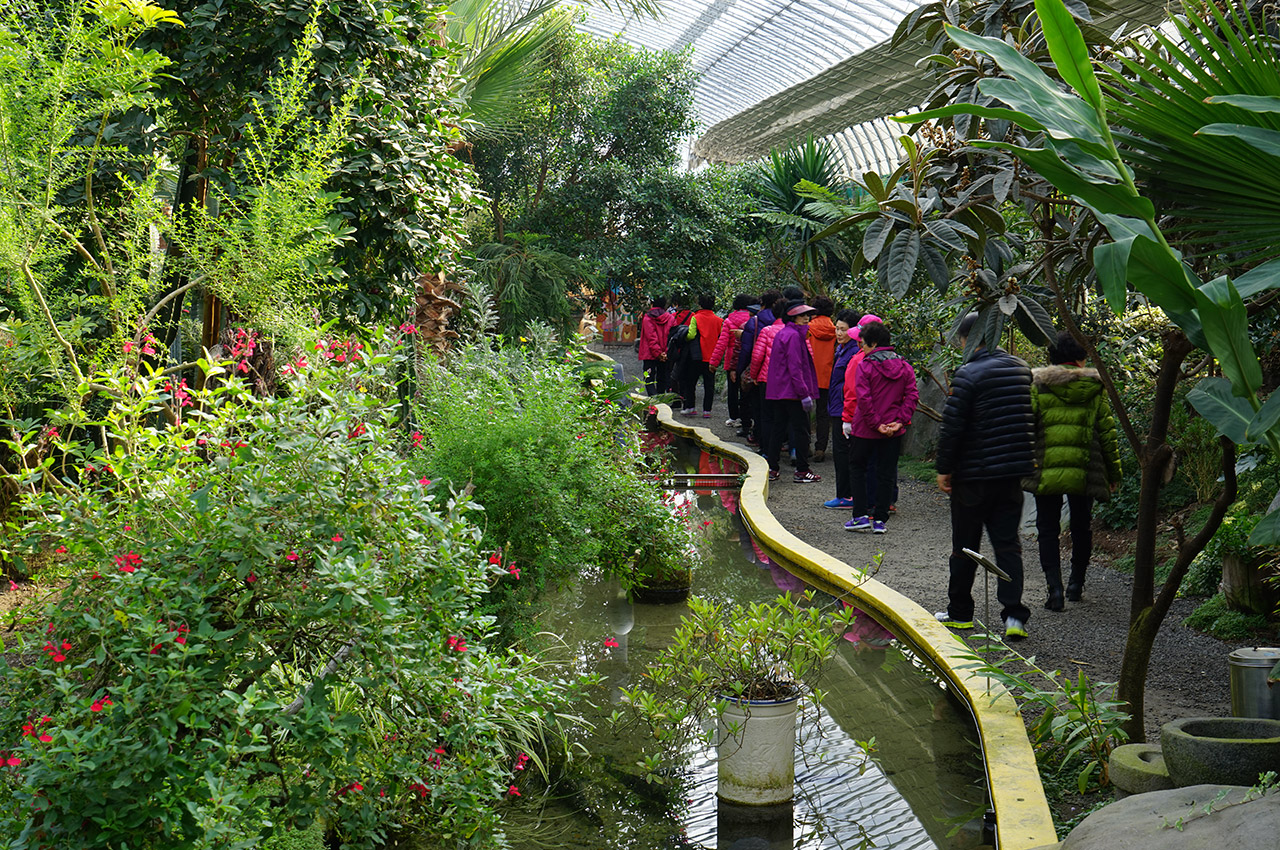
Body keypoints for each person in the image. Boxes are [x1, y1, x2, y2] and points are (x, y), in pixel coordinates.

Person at [934, 311, 1035, 640]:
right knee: (1008, 545)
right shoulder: (1022, 370)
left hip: (973, 477)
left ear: (969, 340)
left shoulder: (968, 375)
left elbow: (952, 429)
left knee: (964, 546)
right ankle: (1014, 617)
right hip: (1011, 476)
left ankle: (960, 613)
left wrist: (944, 469)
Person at [1024, 331, 1122, 609]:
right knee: (1081, 526)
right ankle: (1076, 585)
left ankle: (1054, 590)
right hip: (1084, 468)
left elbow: (1026, 428)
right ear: (1080, 359)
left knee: (1047, 528)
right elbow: (1107, 434)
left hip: (1046, 468)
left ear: (1053, 359)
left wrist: (1023, 465)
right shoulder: (1095, 388)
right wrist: (1113, 474)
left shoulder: (1038, 386)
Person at [842, 321, 918, 535]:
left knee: (857, 468)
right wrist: (900, 421)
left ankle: (860, 515)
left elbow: (863, 399)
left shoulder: (865, 365)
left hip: (865, 429)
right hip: (893, 430)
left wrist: (876, 424)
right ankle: (880, 519)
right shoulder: (904, 366)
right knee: (886, 473)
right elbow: (912, 395)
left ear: (873, 343)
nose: (862, 348)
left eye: (864, 344)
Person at [764, 301, 821, 484]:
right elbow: (795, 368)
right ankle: (802, 471)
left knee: (778, 429)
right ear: (792, 317)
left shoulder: (784, 333)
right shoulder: (794, 337)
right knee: (802, 431)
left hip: (779, 391)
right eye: (802, 315)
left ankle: (772, 468)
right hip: (793, 392)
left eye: (807, 315)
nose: (807, 318)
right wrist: (804, 393)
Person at [823, 310, 862, 510]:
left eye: (843, 330)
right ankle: (844, 493)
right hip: (838, 405)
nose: (838, 333)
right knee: (840, 451)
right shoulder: (842, 349)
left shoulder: (854, 352)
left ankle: (847, 494)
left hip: (845, 408)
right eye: (837, 329)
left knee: (844, 451)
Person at [736, 289, 781, 444]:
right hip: (782, 373)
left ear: (761, 304)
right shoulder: (786, 323)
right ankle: (780, 442)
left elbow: (748, 350)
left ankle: (761, 439)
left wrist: (742, 370)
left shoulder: (754, 321)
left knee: (760, 408)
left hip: (761, 372)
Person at [709, 294, 757, 428]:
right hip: (749, 358)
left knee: (733, 389)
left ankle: (734, 417)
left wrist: (714, 362)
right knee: (747, 390)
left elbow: (721, 343)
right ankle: (747, 418)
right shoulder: (753, 319)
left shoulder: (729, 321)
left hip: (732, 359)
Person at [682, 294, 724, 419]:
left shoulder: (696, 318)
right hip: (711, 357)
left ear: (700, 304)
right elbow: (720, 338)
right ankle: (707, 411)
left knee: (691, 382)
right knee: (709, 385)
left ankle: (691, 408)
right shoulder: (719, 320)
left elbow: (691, 335)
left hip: (697, 356)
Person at [807, 297, 837, 462]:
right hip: (827, 377)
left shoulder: (808, 328)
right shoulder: (835, 330)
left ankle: (805, 446)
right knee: (823, 413)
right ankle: (821, 448)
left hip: (808, 376)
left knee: (804, 411)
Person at [637, 295, 674, 396]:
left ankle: (653, 400)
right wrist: (664, 353)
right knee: (661, 377)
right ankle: (661, 399)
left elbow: (651, 337)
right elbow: (670, 337)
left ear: (652, 304)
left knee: (648, 377)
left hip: (650, 354)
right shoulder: (670, 318)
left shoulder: (648, 317)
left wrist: (657, 353)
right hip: (665, 354)